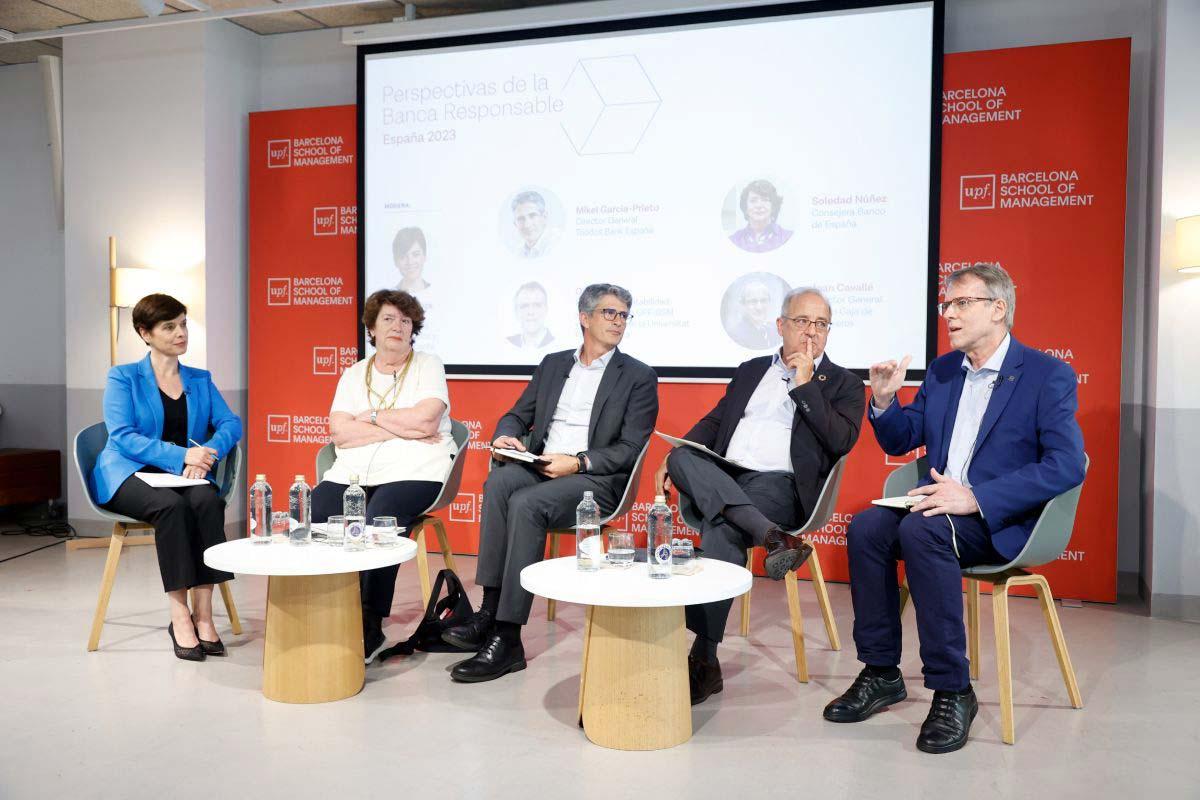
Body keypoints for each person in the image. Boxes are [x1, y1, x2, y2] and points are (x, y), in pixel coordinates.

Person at [826, 263, 1086, 754]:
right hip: (937, 505)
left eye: (961, 303)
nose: (949, 314)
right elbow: (905, 438)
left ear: (998, 308)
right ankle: (881, 671)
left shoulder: (1046, 375)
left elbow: (1067, 465)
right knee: (866, 528)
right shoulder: (945, 371)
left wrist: (977, 498)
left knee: (922, 534)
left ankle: (952, 689)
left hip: (997, 519)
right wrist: (884, 401)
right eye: (946, 305)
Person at [656, 287, 864, 704]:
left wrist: (806, 386)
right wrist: (672, 457)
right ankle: (772, 537)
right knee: (680, 459)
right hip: (727, 473)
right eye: (803, 322)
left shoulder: (843, 383)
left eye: (821, 324)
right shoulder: (752, 369)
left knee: (722, 525)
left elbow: (841, 442)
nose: (811, 332)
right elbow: (716, 421)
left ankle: (704, 657)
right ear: (781, 325)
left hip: (780, 484)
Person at [444, 283, 658, 682]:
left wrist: (576, 463)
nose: (618, 321)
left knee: (527, 503)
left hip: (595, 479)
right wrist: (506, 436)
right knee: (499, 485)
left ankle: (508, 638)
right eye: (610, 313)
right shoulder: (553, 363)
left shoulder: (638, 377)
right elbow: (517, 414)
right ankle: (488, 614)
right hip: (541, 462)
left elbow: (631, 448)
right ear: (585, 318)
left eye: (624, 315)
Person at [91, 293, 243, 661]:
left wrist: (206, 455)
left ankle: (204, 615)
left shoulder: (199, 379)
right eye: (169, 326)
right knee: (170, 508)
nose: (181, 333)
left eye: (183, 324)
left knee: (208, 500)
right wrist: (182, 456)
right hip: (128, 473)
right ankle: (179, 616)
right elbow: (123, 436)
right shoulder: (123, 377)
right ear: (145, 332)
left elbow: (230, 424)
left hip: (184, 473)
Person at [310, 289, 456, 664]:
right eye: (389, 319)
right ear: (372, 328)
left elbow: (426, 421)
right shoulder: (354, 374)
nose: (398, 326)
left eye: (406, 321)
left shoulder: (428, 364)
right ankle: (331, 609)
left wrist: (372, 418)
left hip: (416, 468)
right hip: (353, 469)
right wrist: (401, 426)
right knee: (319, 511)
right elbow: (340, 432)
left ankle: (369, 621)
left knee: (380, 521)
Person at [728, 179, 793, 253]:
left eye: (765, 200)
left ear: (773, 206)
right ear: (745, 207)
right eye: (753, 200)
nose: (759, 205)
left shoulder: (787, 237)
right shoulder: (734, 240)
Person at [727, 278, 782, 349]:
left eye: (763, 300)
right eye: (753, 301)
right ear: (743, 305)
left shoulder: (775, 330)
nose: (759, 307)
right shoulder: (736, 334)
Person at [506, 281, 555, 349]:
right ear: (516, 311)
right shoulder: (506, 344)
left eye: (537, 305)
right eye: (524, 306)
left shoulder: (559, 344)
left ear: (546, 309)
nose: (530, 312)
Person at [511, 190, 559, 258]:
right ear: (515, 224)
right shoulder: (518, 252)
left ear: (544, 217)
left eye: (532, 216)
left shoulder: (557, 244)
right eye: (521, 219)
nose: (527, 225)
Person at [393, 227, 430, 295]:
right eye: (403, 256)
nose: (410, 262)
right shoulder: (388, 299)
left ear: (424, 256)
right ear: (396, 261)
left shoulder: (438, 293)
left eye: (415, 255)